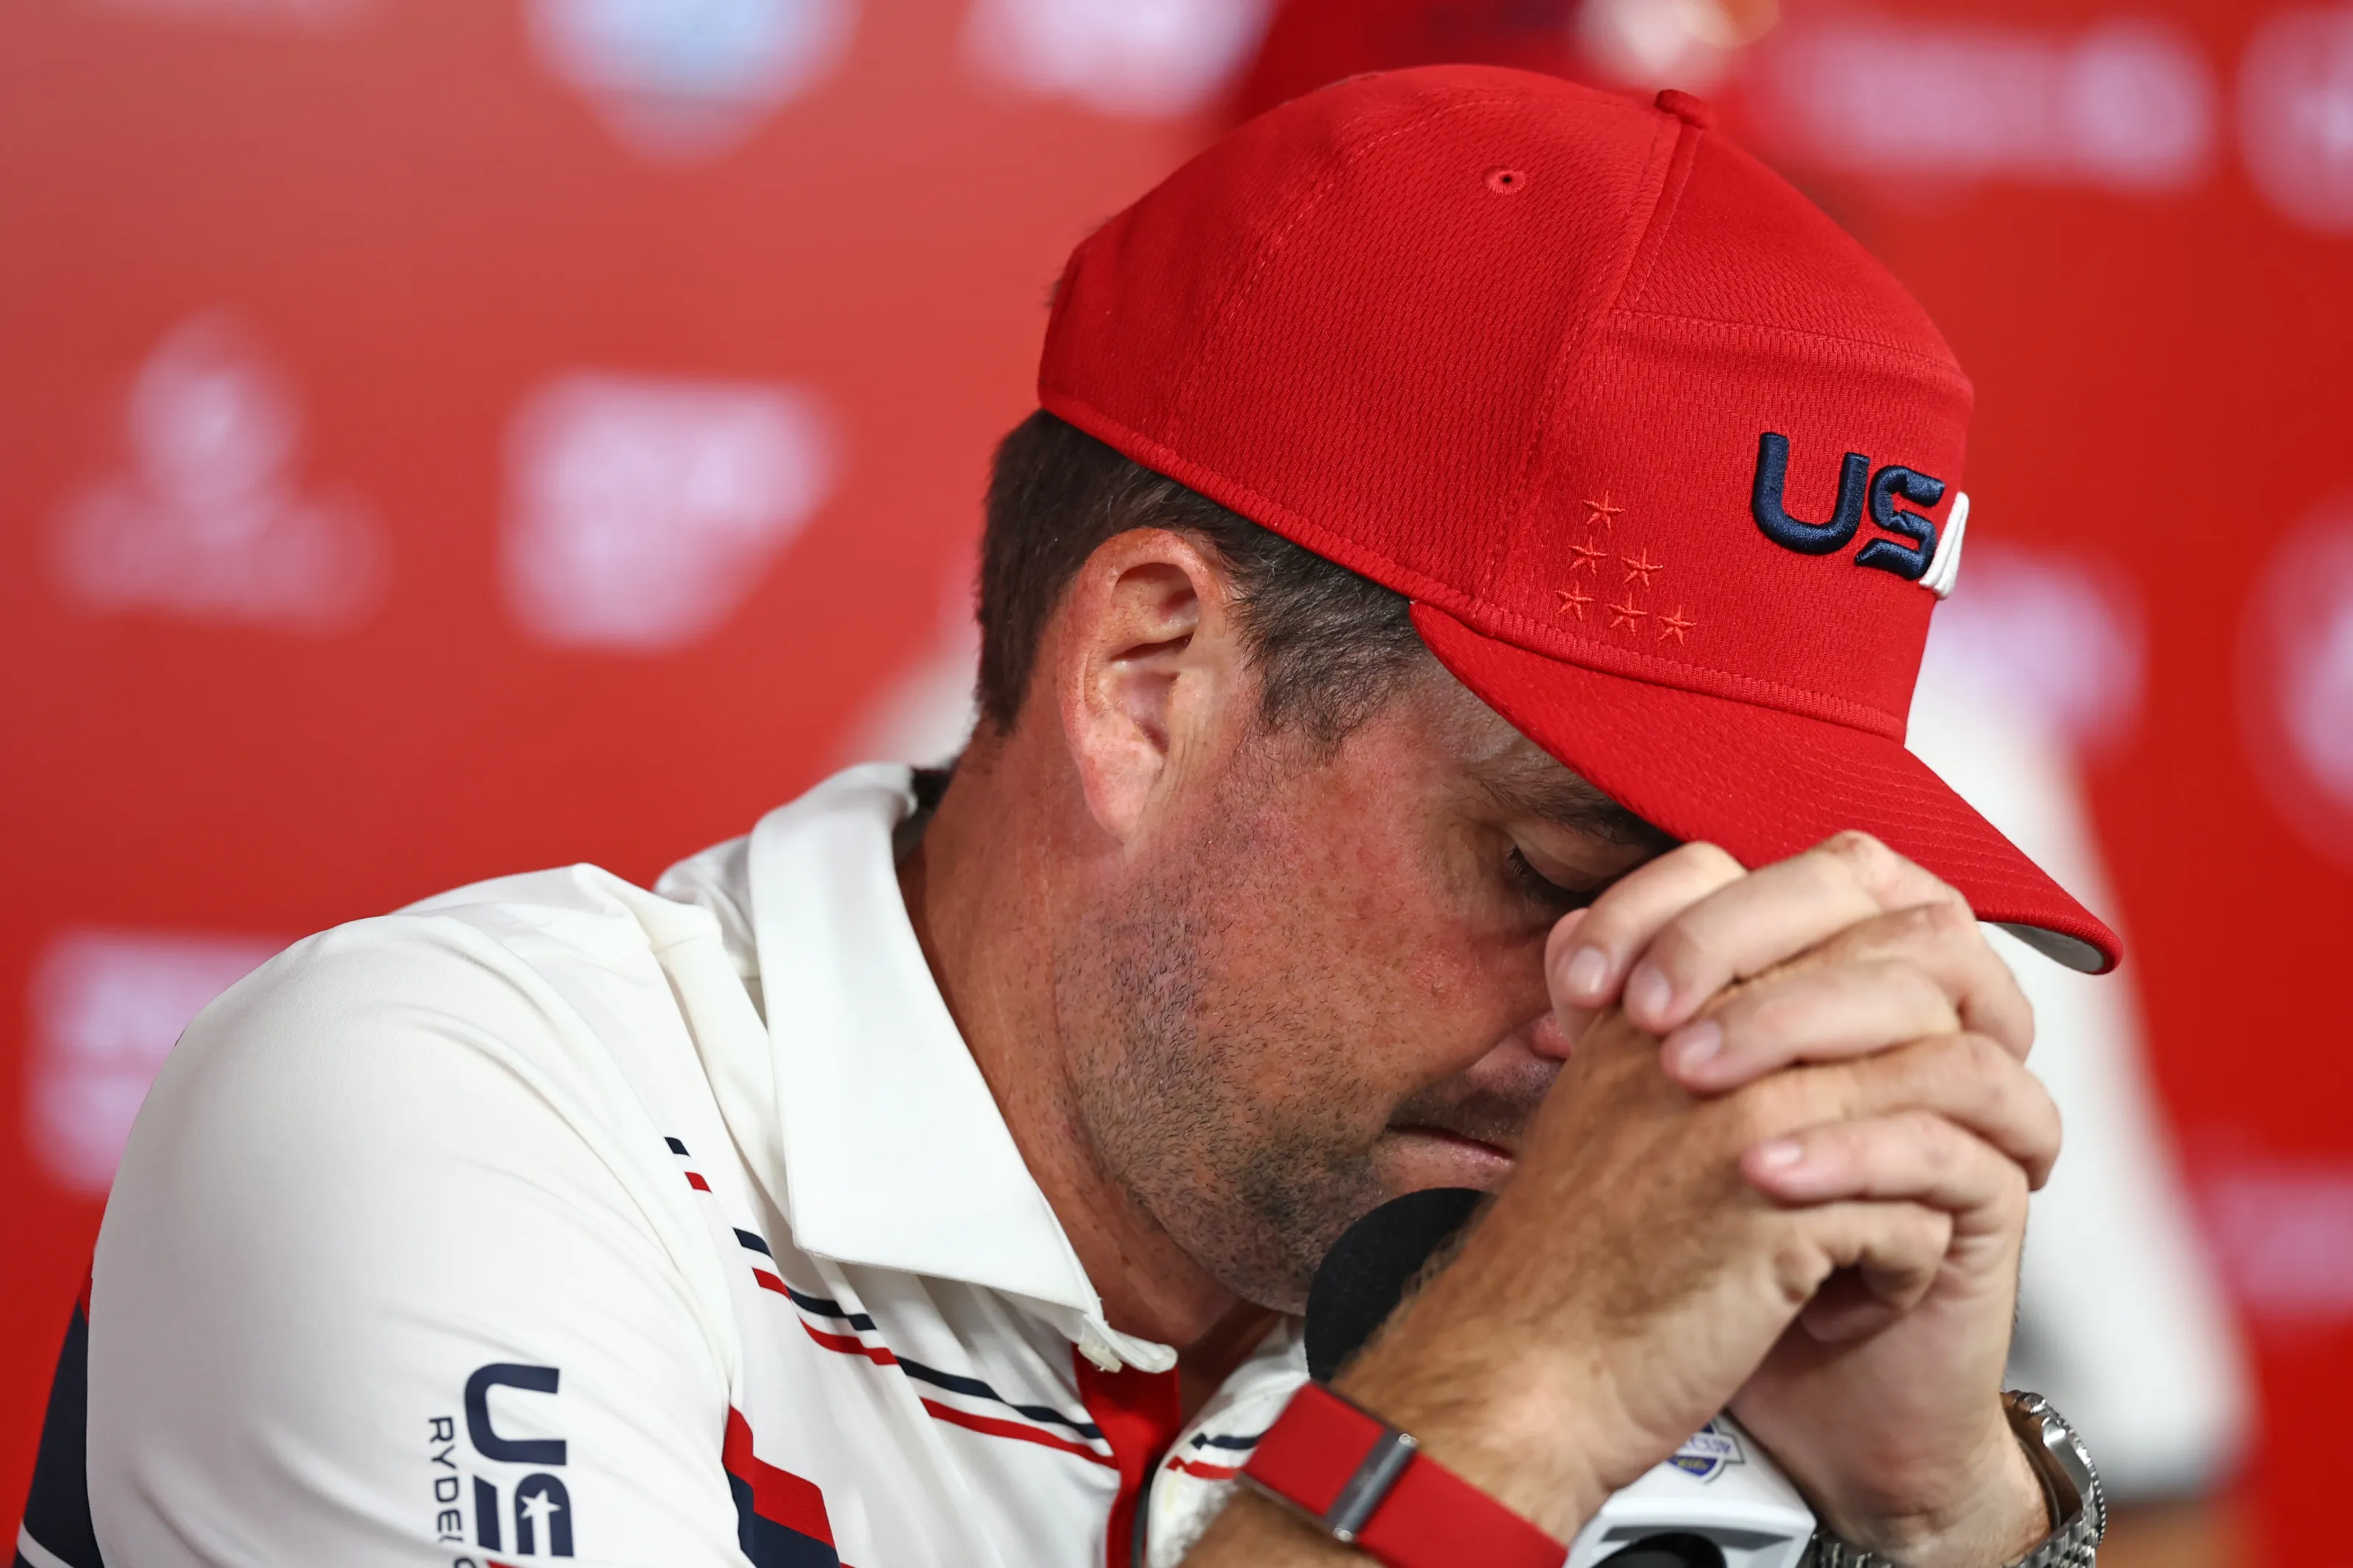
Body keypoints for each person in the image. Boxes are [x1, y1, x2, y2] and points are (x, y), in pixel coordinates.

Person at [18, 68, 2121, 1568]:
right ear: (1149, 686)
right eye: (1560, 872)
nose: (1644, 1032)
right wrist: (1523, 1394)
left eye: (1734, 917)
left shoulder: (1635, 1321)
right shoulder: (454, 1109)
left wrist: (1940, 1515)